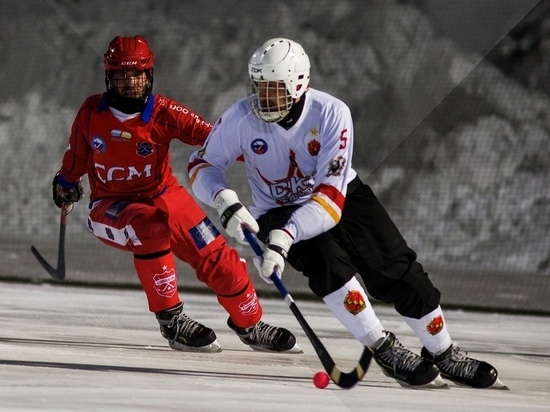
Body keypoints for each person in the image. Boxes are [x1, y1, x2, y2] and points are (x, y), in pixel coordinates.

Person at [188, 37, 505, 388]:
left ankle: (443, 352)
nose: (263, 98)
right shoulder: (241, 117)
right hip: (276, 209)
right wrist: (223, 200)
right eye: (259, 87)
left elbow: (329, 201)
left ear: (298, 84)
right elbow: (202, 163)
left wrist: (285, 238)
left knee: (396, 266)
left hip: (338, 196)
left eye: (273, 89)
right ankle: (382, 346)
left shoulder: (331, 113)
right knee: (330, 267)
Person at [52, 35, 301, 354]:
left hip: (163, 194)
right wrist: (66, 183)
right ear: (109, 78)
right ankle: (172, 321)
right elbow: (76, 157)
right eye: (121, 75)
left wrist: (268, 156)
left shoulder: (164, 112)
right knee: (150, 226)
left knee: (218, 256)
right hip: (111, 206)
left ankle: (250, 324)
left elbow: (214, 138)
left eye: (137, 75)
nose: (130, 83)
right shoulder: (90, 113)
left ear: (149, 75)